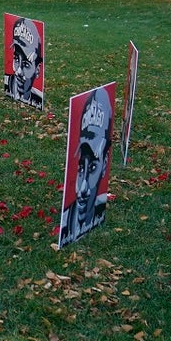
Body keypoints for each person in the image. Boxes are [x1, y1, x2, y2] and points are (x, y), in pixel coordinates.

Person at [59, 87, 112, 246]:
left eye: (92, 168)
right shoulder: (67, 222)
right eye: (81, 168)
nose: (82, 189)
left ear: (105, 163)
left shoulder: (99, 205)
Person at [5, 17, 44, 107]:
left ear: (37, 70)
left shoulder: (38, 99)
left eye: (26, 64)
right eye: (16, 59)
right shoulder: (7, 85)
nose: (19, 71)